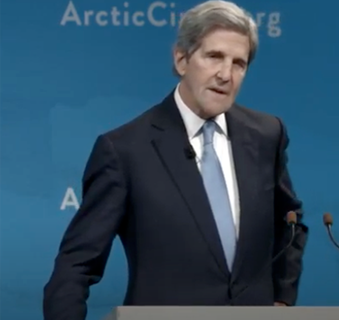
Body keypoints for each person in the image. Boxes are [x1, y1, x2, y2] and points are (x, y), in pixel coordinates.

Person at [42, 1, 308, 319]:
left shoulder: (267, 135)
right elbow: (76, 264)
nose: (226, 74)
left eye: (239, 63)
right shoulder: (124, 150)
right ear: (181, 59)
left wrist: (281, 301)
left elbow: (290, 222)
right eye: (214, 57)